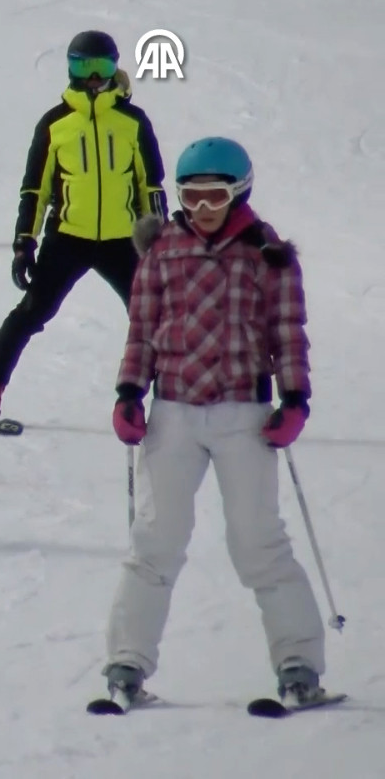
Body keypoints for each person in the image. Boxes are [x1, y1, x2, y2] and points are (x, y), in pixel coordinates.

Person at [99, 136, 329, 708]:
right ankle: (127, 662)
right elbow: (142, 328)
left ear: (239, 192)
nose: (202, 209)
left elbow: (287, 332)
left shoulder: (267, 252)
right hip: (173, 412)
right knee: (155, 541)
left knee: (258, 542)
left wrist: (294, 400)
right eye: (191, 197)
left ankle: (298, 662)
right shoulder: (162, 251)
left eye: (214, 197)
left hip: (241, 414)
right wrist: (130, 391)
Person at [0, 30, 166, 424]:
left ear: (115, 68)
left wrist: (160, 244)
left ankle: (171, 399)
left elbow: (151, 186)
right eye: (83, 66)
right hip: (68, 237)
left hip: (123, 241)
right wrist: (24, 243)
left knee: (153, 318)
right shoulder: (56, 124)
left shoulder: (132, 122)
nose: (93, 77)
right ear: (70, 69)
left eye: (102, 67)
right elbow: (34, 189)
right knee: (32, 311)